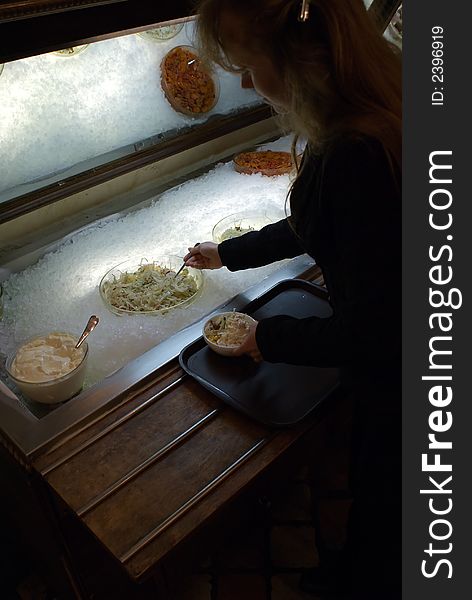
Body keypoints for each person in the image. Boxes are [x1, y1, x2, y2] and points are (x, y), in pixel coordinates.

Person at [184, 1, 401, 598]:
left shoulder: (353, 155)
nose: (248, 83)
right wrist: (229, 253)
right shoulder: (382, 103)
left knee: (390, 505)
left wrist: (265, 337)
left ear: (298, 58)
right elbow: (320, 223)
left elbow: (376, 332)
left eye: (249, 65)